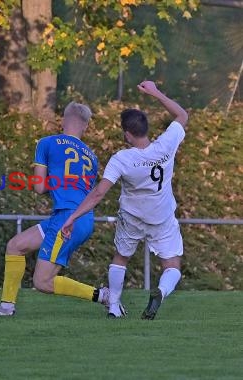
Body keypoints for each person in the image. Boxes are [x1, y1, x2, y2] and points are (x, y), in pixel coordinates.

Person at [61, 80, 188, 320]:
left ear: (127, 134)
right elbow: (181, 114)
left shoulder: (122, 158)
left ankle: (114, 307)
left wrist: (72, 217)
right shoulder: (166, 144)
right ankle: (160, 291)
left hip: (132, 217)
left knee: (121, 258)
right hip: (161, 216)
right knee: (172, 265)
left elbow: (99, 193)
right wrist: (156, 92)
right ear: (146, 129)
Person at [0, 102, 109, 316]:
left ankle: (103, 296)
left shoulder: (47, 143)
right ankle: (6, 306)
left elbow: (39, 186)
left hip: (66, 220)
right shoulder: (92, 156)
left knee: (43, 282)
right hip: (80, 218)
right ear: (86, 126)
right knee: (16, 245)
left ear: (63, 120)